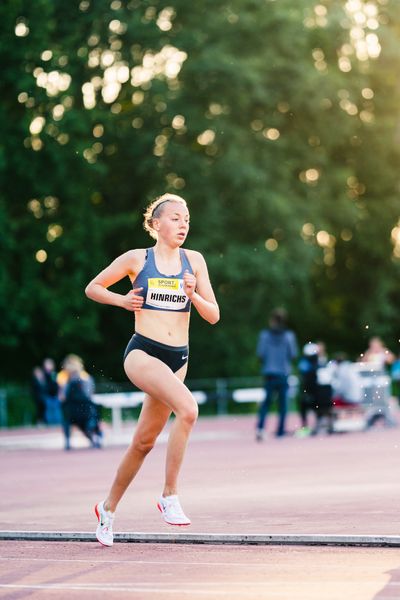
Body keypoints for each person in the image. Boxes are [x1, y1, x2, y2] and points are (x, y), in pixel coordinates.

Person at [85, 193, 219, 547]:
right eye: (175, 218)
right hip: (143, 353)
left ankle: (107, 508)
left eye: (187, 219)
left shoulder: (196, 262)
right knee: (188, 410)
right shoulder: (136, 259)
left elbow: (213, 315)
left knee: (143, 442)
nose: (183, 225)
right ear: (156, 224)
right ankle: (169, 495)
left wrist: (193, 295)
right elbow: (93, 287)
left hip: (179, 359)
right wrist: (122, 300)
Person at [255, 308, 298, 440]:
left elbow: (260, 354)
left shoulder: (264, 335)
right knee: (283, 405)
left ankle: (261, 428)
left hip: (269, 373)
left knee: (266, 403)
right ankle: (280, 431)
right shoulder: (289, 336)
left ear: (272, 320)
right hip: (283, 373)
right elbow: (293, 354)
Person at [61, 354, 101, 451]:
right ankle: (95, 438)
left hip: (73, 413)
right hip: (84, 412)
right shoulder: (86, 378)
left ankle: (68, 441)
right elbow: (89, 395)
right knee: (92, 417)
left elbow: (62, 397)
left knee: (69, 418)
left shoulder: (65, 379)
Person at [42, 358, 61, 425]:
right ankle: (50, 423)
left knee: (56, 410)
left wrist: (59, 393)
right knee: (49, 410)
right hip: (48, 395)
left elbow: (58, 384)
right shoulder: (43, 374)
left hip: (55, 395)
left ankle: (57, 423)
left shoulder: (54, 374)